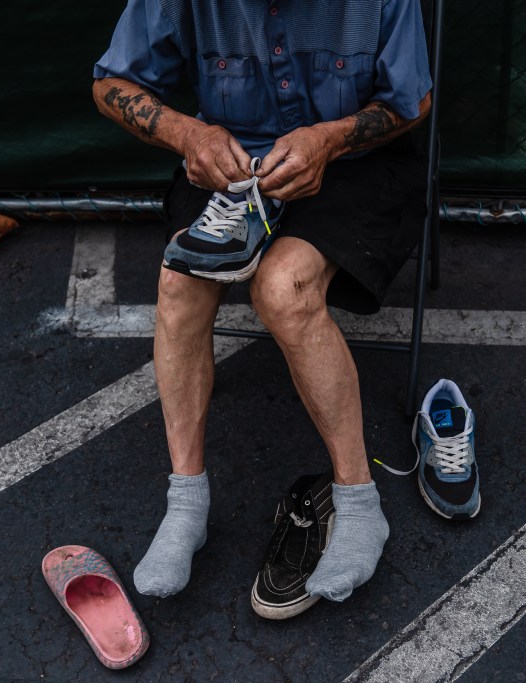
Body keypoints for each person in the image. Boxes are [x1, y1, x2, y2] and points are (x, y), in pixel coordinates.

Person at [92, 0, 432, 604]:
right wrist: (186, 133)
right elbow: (111, 84)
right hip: (228, 166)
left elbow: (412, 101)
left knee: (284, 289)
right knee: (178, 283)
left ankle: (359, 505)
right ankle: (186, 503)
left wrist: (330, 139)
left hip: (353, 162)